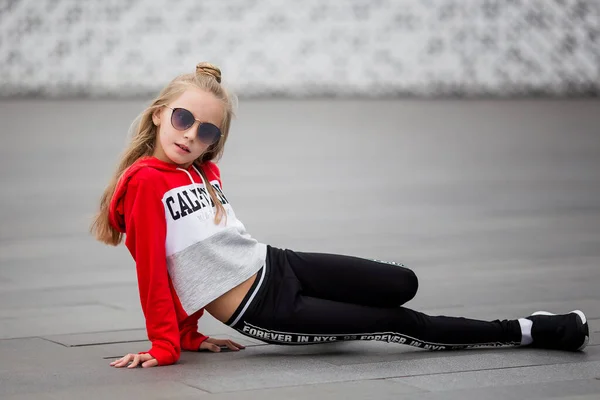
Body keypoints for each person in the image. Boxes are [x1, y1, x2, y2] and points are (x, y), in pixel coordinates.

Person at [91, 62, 589, 369]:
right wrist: (167, 345)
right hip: (264, 309)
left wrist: (191, 332)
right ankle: (529, 329)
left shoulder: (205, 173)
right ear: (159, 113)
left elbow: (202, 255)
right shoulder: (145, 184)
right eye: (183, 119)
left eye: (206, 132)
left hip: (278, 263)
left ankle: (523, 327)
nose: (191, 135)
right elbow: (156, 267)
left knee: (402, 281)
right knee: (401, 323)